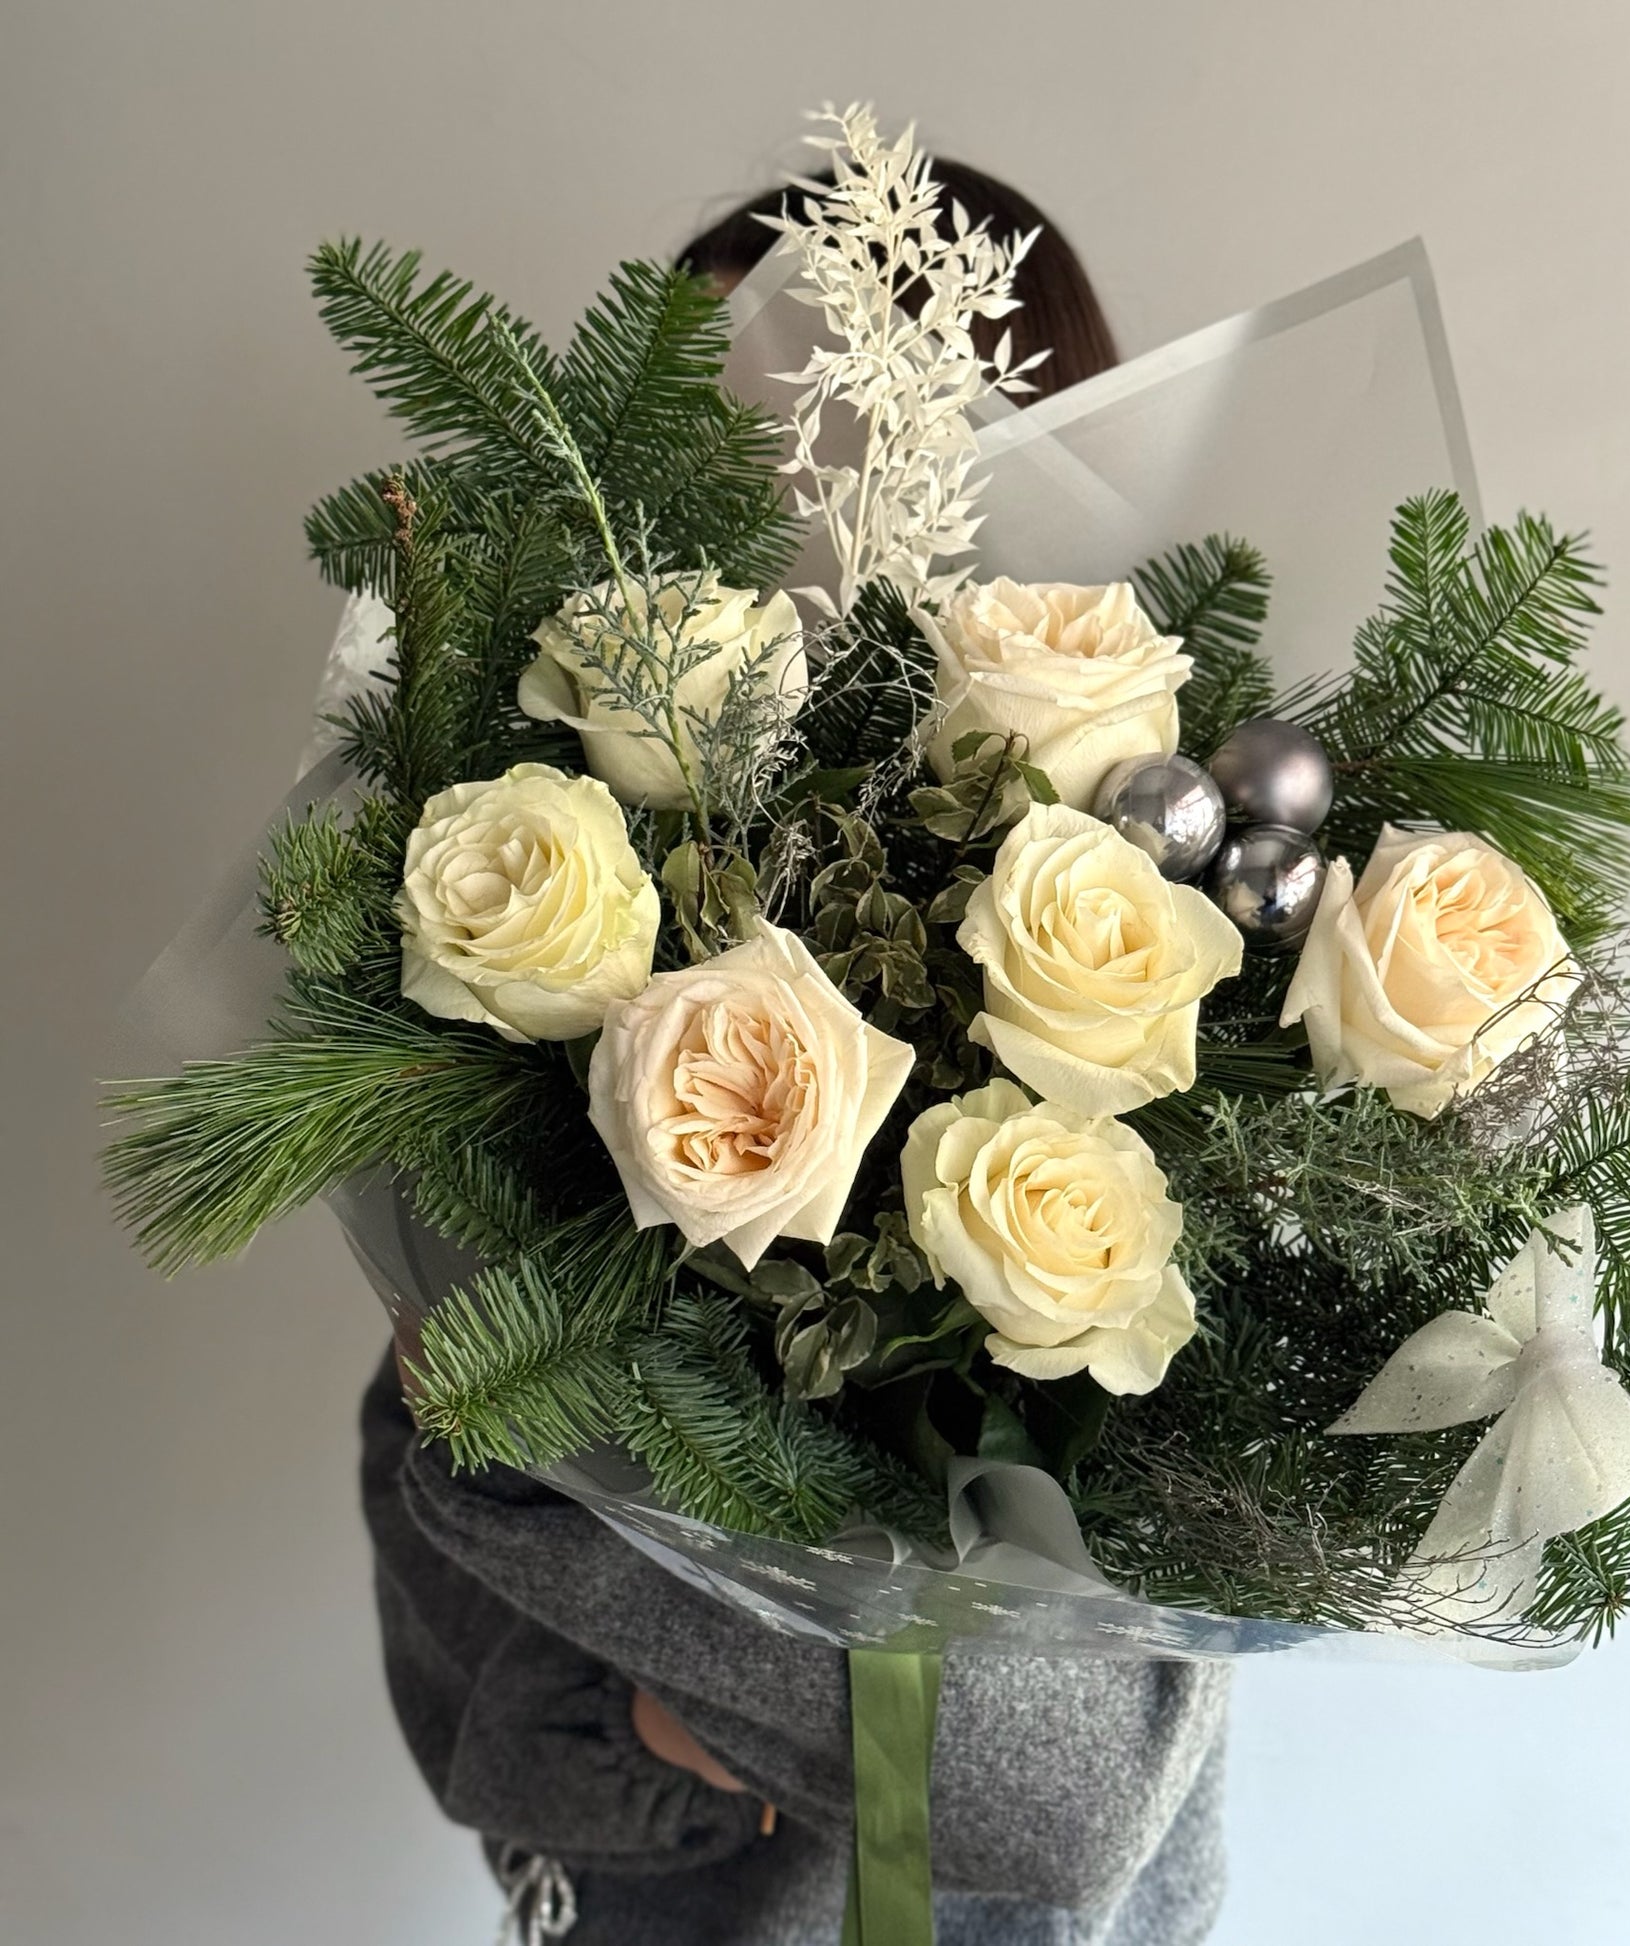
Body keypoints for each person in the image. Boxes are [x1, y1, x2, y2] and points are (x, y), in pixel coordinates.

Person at [360, 160, 1232, 1946]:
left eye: (824, 440)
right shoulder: (558, 1034)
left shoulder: (1187, 1016)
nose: (767, 532)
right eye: (697, 454)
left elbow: (1065, 1801)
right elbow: (482, 1721)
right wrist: (660, 1724)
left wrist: (673, 1677)